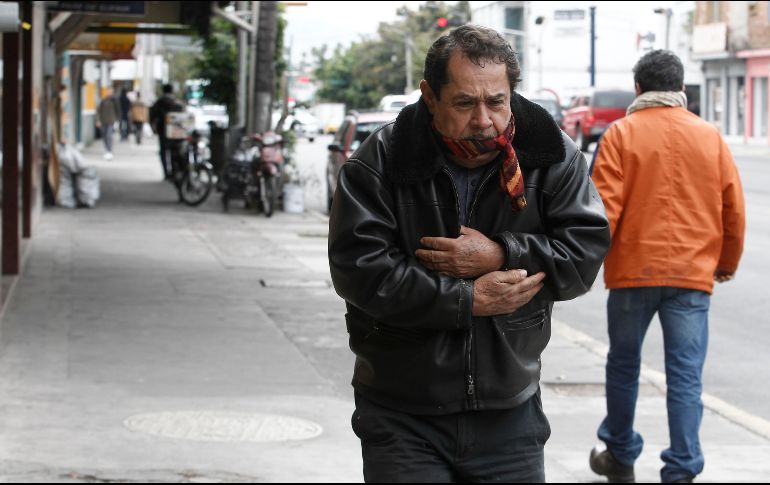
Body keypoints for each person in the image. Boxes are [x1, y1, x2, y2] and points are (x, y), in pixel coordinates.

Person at [328, 25, 611, 483]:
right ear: (429, 96)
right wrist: (466, 300)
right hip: (402, 413)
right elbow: (360, 272)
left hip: (510, 411)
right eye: (464, 103)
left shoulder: (552, 155)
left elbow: (583, 255)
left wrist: (502, 252)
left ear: (511, 94)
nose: (483, 120)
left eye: (496, 102)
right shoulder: (378, 162)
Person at [589, 50, 745, 484]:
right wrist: (725, 264)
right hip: (692, 276)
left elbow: (604, 211)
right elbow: (732, 208)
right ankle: (681, 468)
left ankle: (619, 455)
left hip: (632, 272)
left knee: (623, 365)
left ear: (638, 89)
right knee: (685, 376)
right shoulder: (709, 136)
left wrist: (585, 265)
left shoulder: (621, 134)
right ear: (680, 91)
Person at [149, 83, 183, 179]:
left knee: (163, 151)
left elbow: (152, 116)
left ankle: (166, 173)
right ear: (172, 90)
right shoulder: (177, 103)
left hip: (162, 130)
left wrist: (153, 128)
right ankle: (173, 171)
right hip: (175, 131)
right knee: (174, 150)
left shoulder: (159, 102)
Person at [96, 87, 120, 160]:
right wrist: (98, 120)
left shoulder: (115, 100)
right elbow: (98, 111)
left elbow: (118, 111)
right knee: (104, 136)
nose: (109, 92)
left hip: (111, 121)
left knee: (109, 136)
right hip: (103, 121)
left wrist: (117, 120)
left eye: (111, 91)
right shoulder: (103, 100)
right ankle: (106, 149)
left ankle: (109, 151)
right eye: (108, 91)